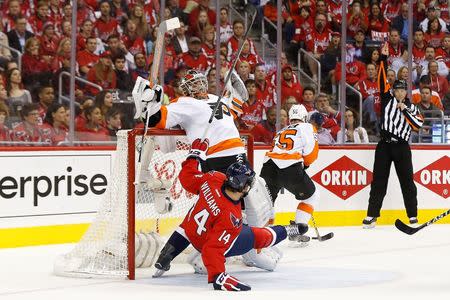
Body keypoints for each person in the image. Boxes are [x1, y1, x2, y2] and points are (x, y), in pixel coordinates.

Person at [152, 139, 308, 291]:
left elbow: (187, 178)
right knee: (259, 236)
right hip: (205, 243)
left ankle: (168, 253)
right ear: (244, 187)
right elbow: (211, 250)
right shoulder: (231, 217)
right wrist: (218, 276)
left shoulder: (213, 178)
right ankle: (287, 230)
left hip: (190, 231)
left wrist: (194, 156)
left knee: (190, 222)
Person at [363, 43, 424, 229]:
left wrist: (404, 110)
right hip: (385, 145)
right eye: (396, 89)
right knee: (379, 181)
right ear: (393, 91)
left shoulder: (412, 107)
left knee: (407, 182)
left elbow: (418, 125)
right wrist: (383, 58)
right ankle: (372, 215)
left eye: (402, 90)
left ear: (406, 92)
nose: (399, 92)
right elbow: (382, 78)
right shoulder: (387, 99)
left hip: (402, 147)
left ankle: (412, 215)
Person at [260, 104, 319, 236]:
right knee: (312, 196)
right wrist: (306, 165)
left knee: (267, 202)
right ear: (305, 117)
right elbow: (311, 153)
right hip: (290, 167)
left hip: (269, 166)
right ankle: (298, 230)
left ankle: (262, 234)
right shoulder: (308, 127)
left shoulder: (282, 130)